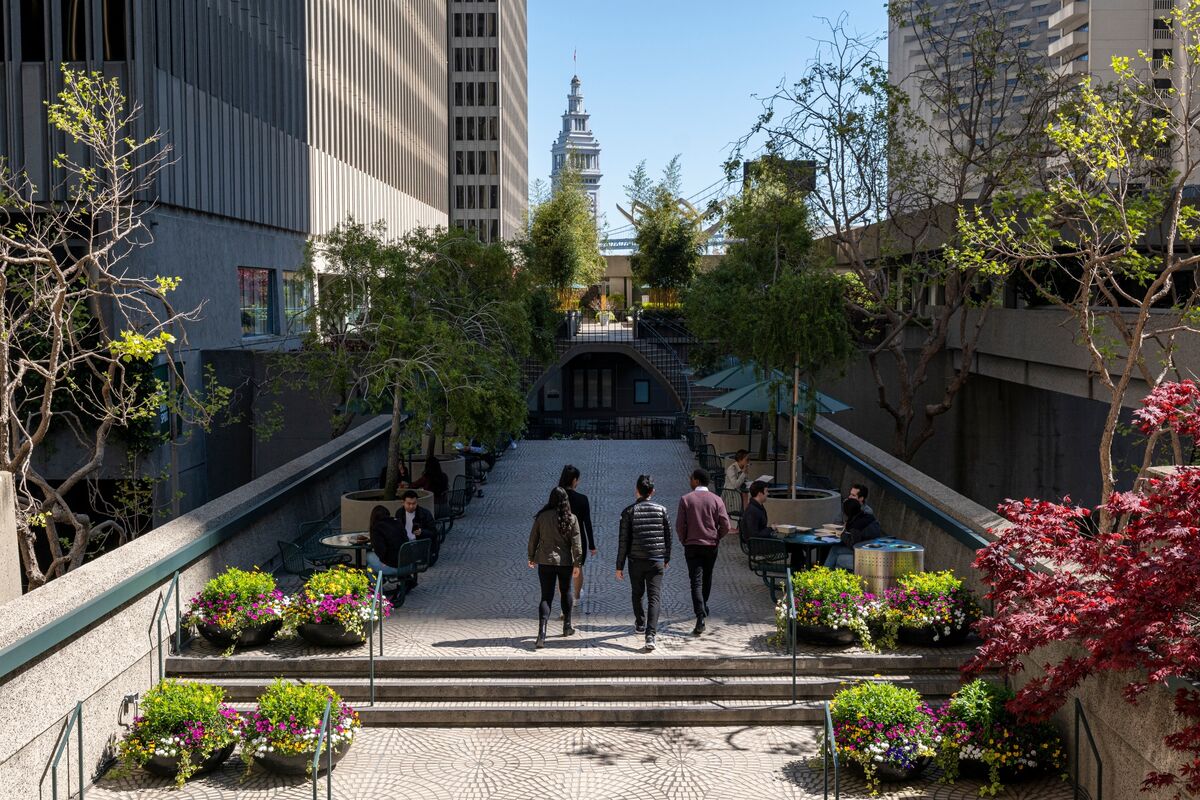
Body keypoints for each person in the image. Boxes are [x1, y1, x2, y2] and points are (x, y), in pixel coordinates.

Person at [615, 474, 671, 652]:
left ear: (636, 490)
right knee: (654, 597)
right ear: (652, 491)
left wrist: (619, 566)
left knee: (637, 593)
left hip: (636, 561)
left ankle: (640, 623)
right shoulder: (662, 510)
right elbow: (668, 537)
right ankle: (650, 635)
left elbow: (623, 542)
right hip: (656, 560)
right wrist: (666, 558)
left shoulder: (628, 512)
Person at [676, 468, 732, 636]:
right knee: (707, 577)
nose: (689, 480)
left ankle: (700, 615)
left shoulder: (686, 500)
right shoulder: (716, 500)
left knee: (696, 581)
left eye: (691, 478)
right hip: (710, 545)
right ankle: (703, 606)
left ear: (697, 481)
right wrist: (716, 537)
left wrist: (684, 539)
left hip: (692, 545)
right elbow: (726, 525)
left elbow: (680, 525)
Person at [527, 486, 583, 649]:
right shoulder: (571, 518)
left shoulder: (542, 517)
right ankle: (567, 625)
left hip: (545, 561)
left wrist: (531, 557)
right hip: (564, 562)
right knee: (565, 591)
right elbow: (577, 544)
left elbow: (533, 539)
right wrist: (577, 563)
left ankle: (541, 634)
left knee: (546, 596)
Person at [558, 465, 597, 604]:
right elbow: (587, 523)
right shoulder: (582, 499)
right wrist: (592, 545)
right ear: (574, 480)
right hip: (578, 539)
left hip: (560, 538)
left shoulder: (556, 498)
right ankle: (576, 598)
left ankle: (564, 601)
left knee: (562, 571)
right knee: (578, 568)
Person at [824, 497, 882, 570]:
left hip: (865, 555)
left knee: (838, 558)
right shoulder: (870, 517)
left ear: (847, 512)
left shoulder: (856, 526)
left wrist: (842, 535)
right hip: (873, 551)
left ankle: (823, 574)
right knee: (835, 551)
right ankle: (827, 574)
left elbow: (853, 545)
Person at [366, 506, 407, 601]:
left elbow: (381, 551)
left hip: (393, 566)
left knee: (368, 559)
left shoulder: (377, 528)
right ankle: (380, 588)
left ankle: (378, 594)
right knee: (370, 567)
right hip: (407, 563)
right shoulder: (398, 522)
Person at [738, 479, 771, 549]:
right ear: (759, 493)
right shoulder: (752, 510)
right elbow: (754, 534)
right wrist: (771, 529)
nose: (768, 494)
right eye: (766, 491)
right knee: (795, 547)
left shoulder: (758, 506)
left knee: (795, 546)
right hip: (757, 545)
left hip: (761, 541)